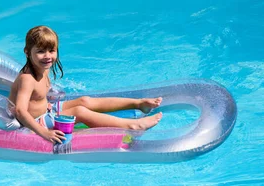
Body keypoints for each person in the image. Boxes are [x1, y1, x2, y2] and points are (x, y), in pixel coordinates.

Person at [8, 25, 163, 144]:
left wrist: (45, 105)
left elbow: (36, 98)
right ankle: (132, 126)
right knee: (79, 111)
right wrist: (44, 133)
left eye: (52, 50)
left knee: (85, 100)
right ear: (27, 52)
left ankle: (138, 104)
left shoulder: (42, 66)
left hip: (47, 110)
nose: (48, 56)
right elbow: (21, 111)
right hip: (35, 122)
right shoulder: (27, 78)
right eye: (41, 51)